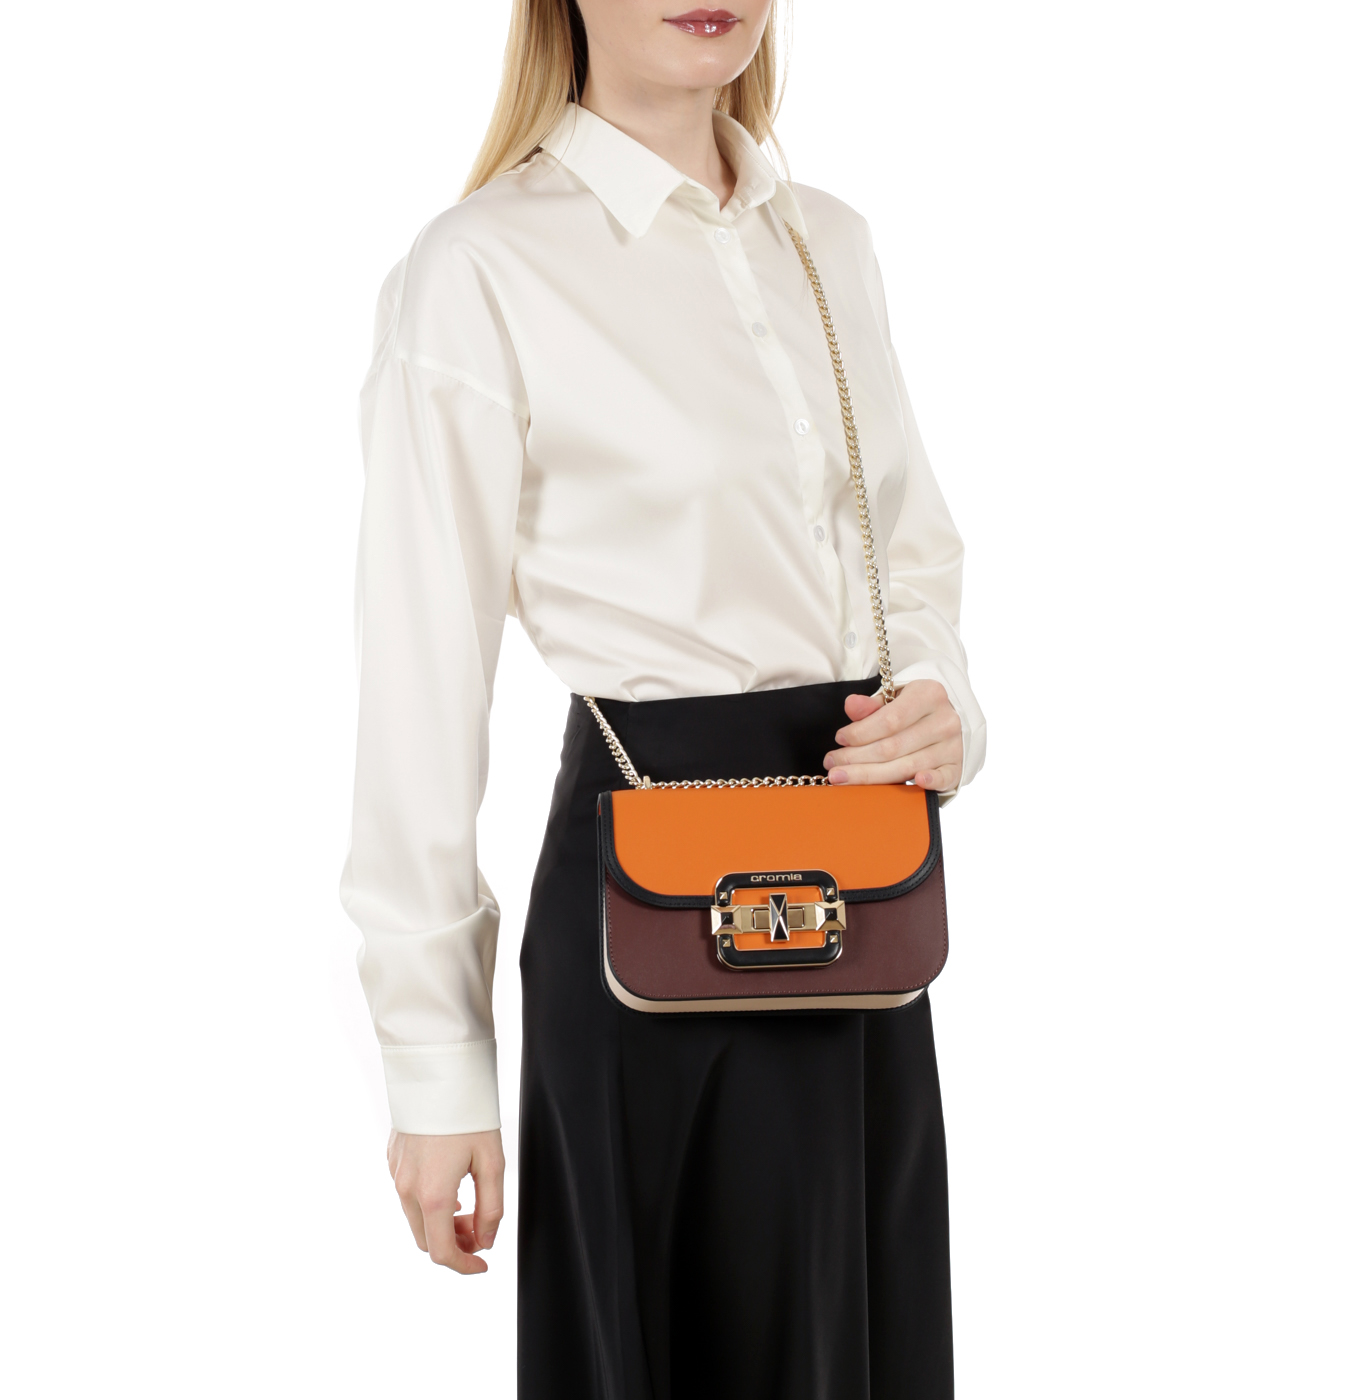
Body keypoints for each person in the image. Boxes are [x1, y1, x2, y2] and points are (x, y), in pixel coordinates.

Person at [341, 1, 986, 1394]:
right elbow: (418, 689)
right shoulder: (482, 269)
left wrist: (941, 700)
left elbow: (911, 554)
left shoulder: (830, 240)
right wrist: (435, 1064)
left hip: (864, 896)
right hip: (650, 900)